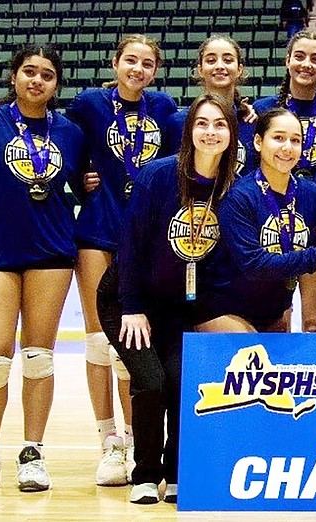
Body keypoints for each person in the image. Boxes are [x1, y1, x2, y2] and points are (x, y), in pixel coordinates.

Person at [0, 43, 86, 494]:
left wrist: (92, 181)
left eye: (47, 75)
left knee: (38, 356)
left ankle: (33, 453)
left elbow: (86, 184)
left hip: (51, 252)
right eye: (29, 71)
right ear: (13, 76)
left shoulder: (69, 132)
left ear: (56, 85)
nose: (37, 81)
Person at [99, 93, 239, 504]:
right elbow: (131, 243)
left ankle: (176, 471)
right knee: (151, 380)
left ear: (231, 134)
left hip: (181, 307)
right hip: (129, 299)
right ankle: (145, 474)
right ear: (188, 130)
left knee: (182, 382)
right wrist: (131, 306)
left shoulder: (231, 187)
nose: (210, 132)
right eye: (202, 123)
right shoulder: (158, 176)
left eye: (219, 124)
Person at [62, 35, 176, 487]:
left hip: (145, 236)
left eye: (147, 63)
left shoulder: (165, 109)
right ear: (115, 62)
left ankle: (136, 437)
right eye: (131, 60)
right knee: (98, 342)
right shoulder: (90, 104)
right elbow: (52, 140)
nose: (138, 69)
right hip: (97, 229)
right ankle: (108, 442)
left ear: (155, 70)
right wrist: (77, 179)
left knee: (133, 343)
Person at [200, 108, 316, 332]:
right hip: (225, 308)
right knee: (252, 355)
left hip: (272, 311)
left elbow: (284, 243)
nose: (287, 147)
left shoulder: (309, 192)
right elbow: (253, 264)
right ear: (259, 142)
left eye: (295, 140)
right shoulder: (239, 196)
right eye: (278, 138)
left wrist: (313, 234)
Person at [255, 31, 316, 333]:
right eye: (299, 56)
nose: (306, 64)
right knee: (276, 318)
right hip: (273, 218)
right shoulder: (263, 108)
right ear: (287, 60)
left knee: (315, 323)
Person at [167, 35, 257, 175]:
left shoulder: (252, 121)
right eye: (211, 60)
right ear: (200, 70)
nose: (220, 66)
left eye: (228, 60)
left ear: (239, 69)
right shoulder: (178, 123)